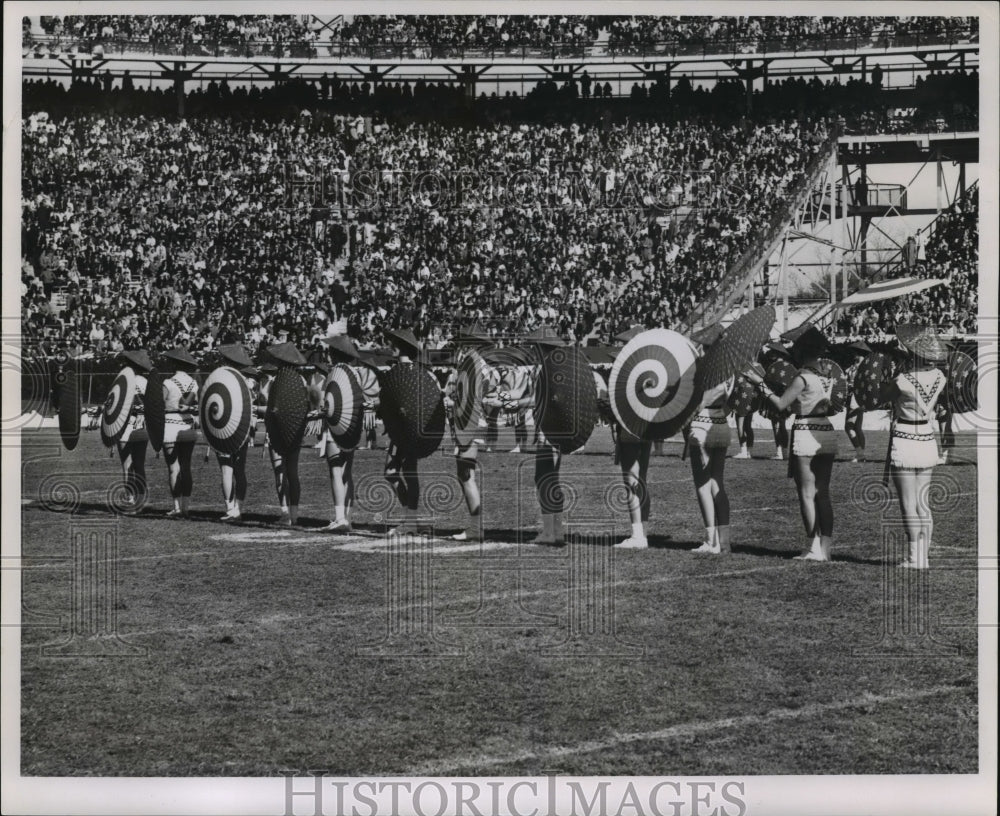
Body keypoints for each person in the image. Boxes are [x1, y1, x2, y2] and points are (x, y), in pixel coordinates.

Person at [749, 326, 838, 562]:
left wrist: (760, 384)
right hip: (827, 430)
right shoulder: (828, 374)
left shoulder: (802, 377)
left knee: (807, 493)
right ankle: (825, 548)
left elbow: (780, 404)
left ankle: (813, 548)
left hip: (807, 431)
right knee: (823, 494)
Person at [882, 325, 949, 569]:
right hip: (927, 438)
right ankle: (924, 556)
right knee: (923, 502)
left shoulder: (902, 380)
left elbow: (883, 395)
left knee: (908, 503)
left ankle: (914, 558)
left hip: (905, 436)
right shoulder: (940, 377)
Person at [320, 334, 379, 533]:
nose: (327, 356)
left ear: (335, 354)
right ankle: (348, 518)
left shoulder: (335, 373)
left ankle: (339, 518)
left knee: (335, 471)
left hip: (336, 425)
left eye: (329, 352)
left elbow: (326, 402)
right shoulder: (358, 374)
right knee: (347, 472)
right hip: (353, 426)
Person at [686, 324, 735, 554]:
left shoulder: (709, 367)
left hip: (704, 423)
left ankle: (711, 540)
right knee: (717, 482)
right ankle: (723, 540)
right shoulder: (730, 367)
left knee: (703, 485)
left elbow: (707, 396)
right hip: (722, 423)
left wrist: (696, 406)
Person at [445, 326, 494, 542]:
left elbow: (468, 398)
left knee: (465, 474)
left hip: (471, 424)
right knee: (466, 474)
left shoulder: (470, 364)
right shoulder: (484, 367)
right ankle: (476, 525)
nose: (460, 347)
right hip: (477, 423)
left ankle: (476, 526)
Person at [523, 325, 571, 546]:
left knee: (544, 480)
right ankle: (556, 529)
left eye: (535, 347)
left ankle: (550, 531)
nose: (533, 350)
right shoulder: (556, 369)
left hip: (547, 431)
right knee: (552, 480)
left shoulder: (546, 370)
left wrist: (510, 402)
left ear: (542, 348)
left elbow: (538, 400)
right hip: (556, 431)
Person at [608, 326, 654, 549]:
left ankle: (637, 535)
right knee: (641, 480)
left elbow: (619, 403)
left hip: (629, 428)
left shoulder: (629, 372)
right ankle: (642, 532)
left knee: (631, 482)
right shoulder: (649, 368)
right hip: (646, 427)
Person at [382, 327, 427, 536]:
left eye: (392, 344)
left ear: (400, 348)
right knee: (403, 473)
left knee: (399, 472)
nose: (389, 347)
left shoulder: (403, 372)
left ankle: (410, 520)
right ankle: (411, 519)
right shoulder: (417, 372)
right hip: (409, 430)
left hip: (405, 430)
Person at [263, 342, 310, 526]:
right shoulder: (302, 380)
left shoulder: (276, 381)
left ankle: (285, 512)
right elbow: (308, 403)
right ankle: (294, 514)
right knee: (292, 471)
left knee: (280, 473)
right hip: (295, 428)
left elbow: (271, 407)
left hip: (277, 428)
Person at [212, 344, 257, 522]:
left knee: (226, 470)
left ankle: (230, 508)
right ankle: (238, 507)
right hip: (243, 428)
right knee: (240, 469)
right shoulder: (250, 382)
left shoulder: (222, 379)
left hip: (225, 426)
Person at [159, 347, 200, 518]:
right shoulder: (194, 383)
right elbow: (196, 405)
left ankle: (176, 507)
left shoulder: (167, 383)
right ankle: (186, 507)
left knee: (173, 468)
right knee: (186, 466)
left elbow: (160, 405)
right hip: (188, 425)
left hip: (169, 425)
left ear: (174, 364)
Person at [114, 349, 154, 512]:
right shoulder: (144, 382)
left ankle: (130, 498)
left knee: (126, 464)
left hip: (123, 426)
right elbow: (150, 405)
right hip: (140, 426)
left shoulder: (121, 380)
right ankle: (140, 498)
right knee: (139, 464)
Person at [843, 341, 871, 463]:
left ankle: (860, 453)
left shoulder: (863, 367)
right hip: (856, 397)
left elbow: (864, 382)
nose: (854, 355)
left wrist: (851, 383)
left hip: (857, 397)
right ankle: (861, 454)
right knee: (857, 427)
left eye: (855, 353)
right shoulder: (857, 366)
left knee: (848, 426)